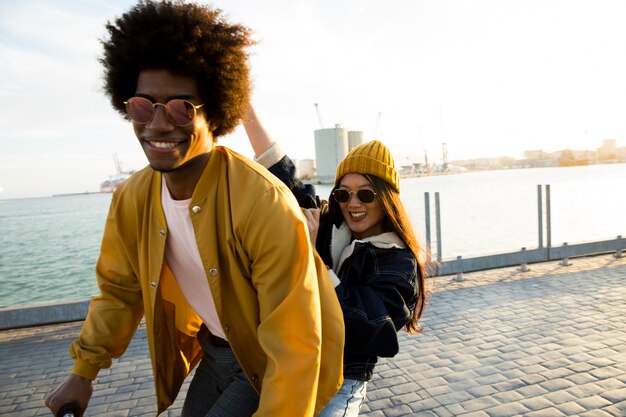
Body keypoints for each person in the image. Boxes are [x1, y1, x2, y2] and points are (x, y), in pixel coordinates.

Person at [44, 2, 345, 416]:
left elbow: (295, 342)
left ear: (216, 112)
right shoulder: (132, 198)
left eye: (182, 107)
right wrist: (83, 372)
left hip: (270, 361)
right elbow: (120, 289)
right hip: (216, 351)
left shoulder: (263, 202)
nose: (159, 124)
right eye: (142, 105)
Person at [244, 106, 427, 416]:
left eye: (366, 195)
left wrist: (314, 259)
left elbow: (369, 327)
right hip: (294, 367)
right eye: (344, 194)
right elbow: (280, 171)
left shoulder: (399, 262)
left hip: (342, 381)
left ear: (386, 198)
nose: (353, 204)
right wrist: (242, 107)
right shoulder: (330, 223)